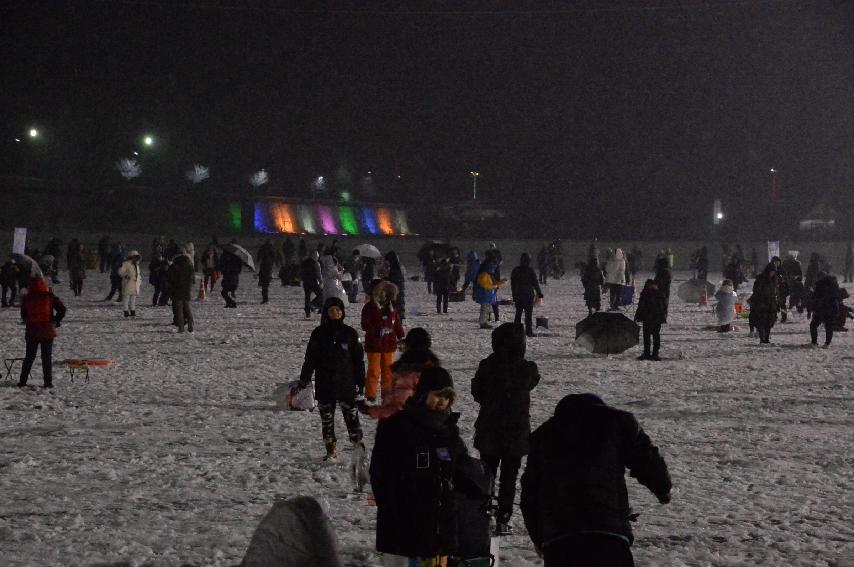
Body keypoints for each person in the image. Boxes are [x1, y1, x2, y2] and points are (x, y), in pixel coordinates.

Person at [520, 393, 672, 567]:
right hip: (608, 533)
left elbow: (529, 494)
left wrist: (539, 538)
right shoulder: (617, 422)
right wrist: (663, 489)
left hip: (560, 540)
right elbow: (646, 458)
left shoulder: (543, 435)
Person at [369, 367, 468, 565]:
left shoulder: (449, 430)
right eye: (437, 396)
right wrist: (392, 505)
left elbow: (458, 469)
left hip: (441, 523)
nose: (442, 402)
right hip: (407, 520)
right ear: (423, 394)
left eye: (447, 398)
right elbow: (380, 470)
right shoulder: (397, 426)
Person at [472, 323, 540, 535]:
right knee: (509, 478)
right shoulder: (527, 368)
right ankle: (504, 517)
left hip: (489, 428)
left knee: (487, 474)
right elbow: (532, 381)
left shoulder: (487, 365)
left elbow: (477, 393)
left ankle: (485, 514)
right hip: (516, 431)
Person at [299, 297, 365, 461]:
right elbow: (310, 358)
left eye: (338, 310)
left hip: (346, 383)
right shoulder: (318, 333)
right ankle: (330, 450)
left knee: (351, 417)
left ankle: (358, 446)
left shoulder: (350, 333)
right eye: (331, 310)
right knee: (327, 420)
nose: (335, 313)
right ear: (326, 313)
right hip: (325, 382)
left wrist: (360, 382)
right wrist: (305, 378)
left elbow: (358, 359)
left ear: (342, 312)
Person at [360, 327, 439, 420]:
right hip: (432, 422)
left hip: (410, 424)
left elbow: (397, 406)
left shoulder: (407, 374)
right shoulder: (436, 369)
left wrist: (369, 410)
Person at [18, 277, 66, 388]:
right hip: (47, 331)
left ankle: (22, 381)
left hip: (32, 331)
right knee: (46, 358)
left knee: (29, 357)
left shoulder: (27, 298)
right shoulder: (49, 296)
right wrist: (55, 321)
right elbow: (62, 309)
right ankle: (48, 382)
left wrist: (29, 322)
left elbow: (23, 315)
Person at [361, 281, 405, 403]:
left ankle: (387, 393)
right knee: (374, 370)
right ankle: (371, 394)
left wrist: (401, 335)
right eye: (381, 291)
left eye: (385, 291)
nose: (383, 294)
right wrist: (378, 328)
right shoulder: (369, 308)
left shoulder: (391, 308)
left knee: (388, 371)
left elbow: (396, 323)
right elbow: (365, 325)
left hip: (388, 344)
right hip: (374, 344)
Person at [511, 253, 544, 337]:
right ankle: (528, 331)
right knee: (528, 315)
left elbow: (513, 284)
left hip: (519, 295)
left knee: (518, 314)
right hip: (528, 295)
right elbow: (535, 283)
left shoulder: (516, 270)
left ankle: (516, 331)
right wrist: (539, 292)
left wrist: (514, 295)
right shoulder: (530, 270)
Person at [634, 279, 667, 361]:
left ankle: (654, 353)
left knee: (654, 336)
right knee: (648, 336)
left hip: (654, 318)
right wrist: (638, 316)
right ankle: (648, 353)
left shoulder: (658, 294)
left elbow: (662, 308)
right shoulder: (647, 294)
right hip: (648, 318)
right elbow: (641, 307)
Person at [750, 263, 780, 344]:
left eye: (774, 272)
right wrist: (758, 301)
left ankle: (767, 338)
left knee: (770, 322)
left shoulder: (774, 280)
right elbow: (756, 291)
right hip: (762, 303)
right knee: (762, 322)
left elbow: (776, 292)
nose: (772, 273)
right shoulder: (761, 279)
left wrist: (777, 302)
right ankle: (762, 339)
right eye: (771, 271)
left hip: (772, 303)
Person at [168, 246, 195, 333]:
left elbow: (170, 278)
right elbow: (193, 279)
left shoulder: (174, 265)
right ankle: (191, 323)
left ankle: (181, 328)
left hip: (176, 290)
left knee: (179, 310)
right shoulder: (190, 264)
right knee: (187, 308)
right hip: (187, 289)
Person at [809, 272, 840, 348]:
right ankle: (827, 344)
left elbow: (815, 297)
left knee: (813, 325)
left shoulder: (820, 284)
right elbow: (837, 296)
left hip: (822, 308)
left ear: (820, 277)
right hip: (832, 308)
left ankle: (814, 342)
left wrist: (813, 307)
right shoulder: (834, 284)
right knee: (829, 326)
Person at [473, 256, 503, 329]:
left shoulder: (487, 274)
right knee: (484, 309)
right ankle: (483, 323)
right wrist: (495, 286)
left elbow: (491, 284)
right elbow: (486, 285)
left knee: (486, 309)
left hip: (487, 295)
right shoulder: (484, 275)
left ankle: (484, 322)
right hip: (485, 295)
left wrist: (500, 283)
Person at [118, 250, 143, 318]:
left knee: (133, 299)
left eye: (137, 257)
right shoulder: (126, 264)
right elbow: (120, 272)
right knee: (126, 298)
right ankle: (125, 311)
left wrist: (139, 280)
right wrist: (126, 276)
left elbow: (138, 274)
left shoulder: (136, 264)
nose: (136, 259)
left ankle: (132, 311)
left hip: (135, 284)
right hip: (128, 283)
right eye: (135, 257)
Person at [384, 251, 406, 320]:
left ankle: (398, 320)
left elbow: (397, 278)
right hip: (396, 290)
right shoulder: (396, 266)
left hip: (397, 290)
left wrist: (388, 277)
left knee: (397, 306)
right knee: (395, 306)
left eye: (388, 260)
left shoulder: (397, 267)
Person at [300, 250, 323, 318]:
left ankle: (308, 313)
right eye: (317, 256)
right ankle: (312, 304)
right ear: (314, 256)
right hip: (313, 282)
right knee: (321, 295)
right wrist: (321, 282)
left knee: (307, 297)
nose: (318, 257)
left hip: (306, 282)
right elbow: (318, 274)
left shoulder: (304, 262)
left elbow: (301, 272)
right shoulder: (316, 263)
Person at [653, 255, 672, 320]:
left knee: (661, 304)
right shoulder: (665, 271)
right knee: (663, 304)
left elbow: (659, 281)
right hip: (664, 290)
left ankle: (661, 316)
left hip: (662, 290)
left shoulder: (663, 271)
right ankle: (662, 316)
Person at [257, 239, 275, 304]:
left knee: (264, 287)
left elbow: (259, 254)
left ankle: (265, 299)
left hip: (265, 271)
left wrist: (258, 259)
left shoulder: (263, 248)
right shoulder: (271, 247)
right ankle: (265, 299)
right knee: (265, 286)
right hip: (267, 269)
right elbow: (274, 255)